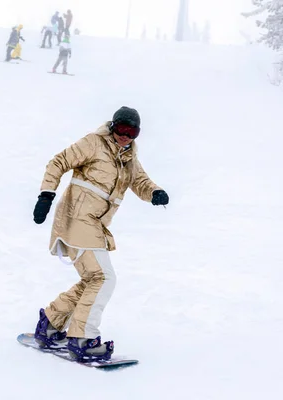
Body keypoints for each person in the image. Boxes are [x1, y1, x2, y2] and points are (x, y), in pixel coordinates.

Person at [31, 107, 169, 362]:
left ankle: (50, 323)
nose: (125, 136)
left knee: (92, 279)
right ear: (113, 126)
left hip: (95, 224)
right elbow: (58, 162)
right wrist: (46, 195)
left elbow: (140, 181)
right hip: (76, 217)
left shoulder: (128, 157)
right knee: (103, 278)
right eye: (122, 130)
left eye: (132, 132)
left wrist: (155, 192)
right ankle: (82, 338)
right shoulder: (93, 143)